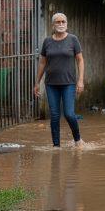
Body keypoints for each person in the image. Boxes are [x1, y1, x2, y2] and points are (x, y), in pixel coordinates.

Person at [34, 13, 85, 148]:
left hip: (68, 83)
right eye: (58, 22)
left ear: (67, 24)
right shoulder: (47, 41)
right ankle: (56, 146)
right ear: (53, 25)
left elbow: (80, 60)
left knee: (69, 114)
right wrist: (37, 83)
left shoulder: (73, 40)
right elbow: (42, 63)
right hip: (51, 84)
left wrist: (80, 80)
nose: (61, 24)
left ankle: (78, 140)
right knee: (55, 116)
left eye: (63, 21)